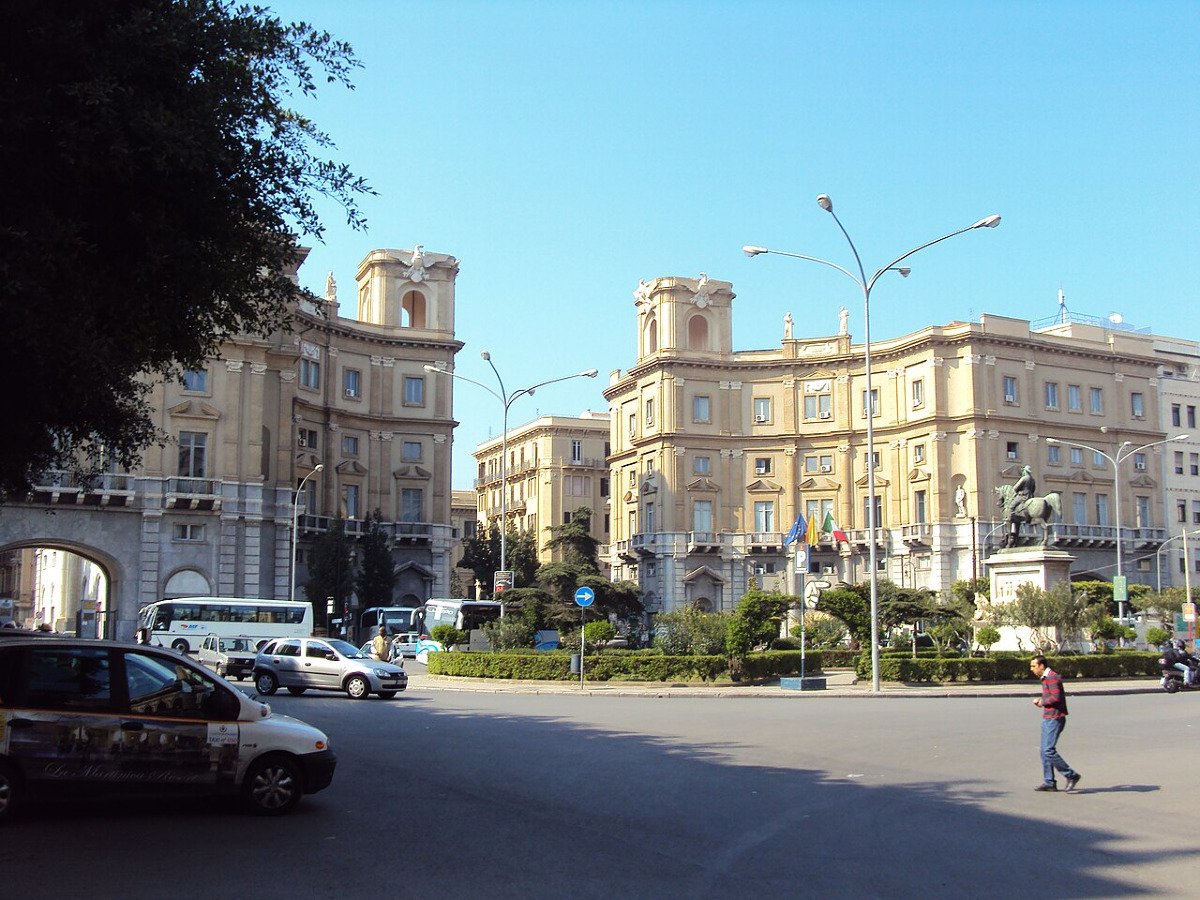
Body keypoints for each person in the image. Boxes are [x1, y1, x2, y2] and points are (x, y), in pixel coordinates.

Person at [1030, 655, 1081, 792]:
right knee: (1044, 751)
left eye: (1034, 666)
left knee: (1048, 750)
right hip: (1049, 717)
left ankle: (1071, 775)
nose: (1032, 669)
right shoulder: (1046, 678)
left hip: (1055, 718)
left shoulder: (1052, 677)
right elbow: (1051, 695)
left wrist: (1042, 702)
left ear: (1042, 666)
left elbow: (1056, 697)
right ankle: (1049, 782)